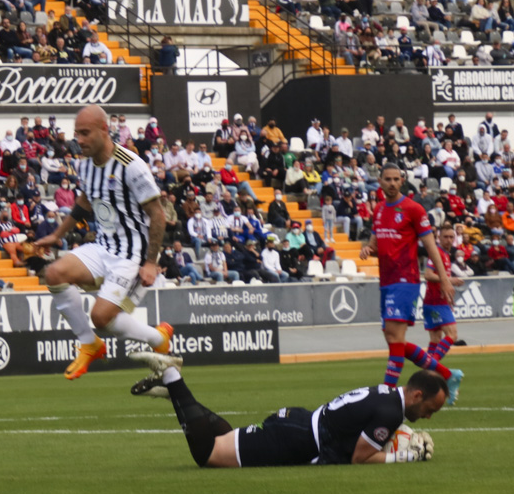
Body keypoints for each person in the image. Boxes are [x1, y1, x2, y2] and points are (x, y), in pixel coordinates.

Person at [35, 105, 174, 381]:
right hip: (104, 246)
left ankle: (157, 338)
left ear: (103, 130)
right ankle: (90, 344)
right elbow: (85, 201)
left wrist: (150, 262)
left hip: (133, 255)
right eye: (77, 134)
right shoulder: (85, 165)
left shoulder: (131, 165)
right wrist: (57, 235)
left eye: (85, 133)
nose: (80, 140)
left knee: (102, 318)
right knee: (54, 273)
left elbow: (157, 214)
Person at [128, 352, 444, 467]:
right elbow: (361, 457)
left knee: (226, 436)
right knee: (208, 456)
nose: (430, 415)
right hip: (299, 438)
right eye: (431, 408)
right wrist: (404, 457)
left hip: (301, 423)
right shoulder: (391, 412)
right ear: (417, 394)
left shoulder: (389, 393)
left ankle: (178, 397)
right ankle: (172, 375)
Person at [359, 164, 464, 404]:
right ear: (380, 181)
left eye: (397, 179)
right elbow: (376, 244)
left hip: (405, 280)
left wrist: (445, 280)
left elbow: (430, 247)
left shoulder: (414, 209)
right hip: (386, 281)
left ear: (403, 180)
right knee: (393, 338)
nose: (393, 183)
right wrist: (368, 248)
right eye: (388, 179)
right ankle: (447, 374)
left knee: (395, 337)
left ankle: (386, 394)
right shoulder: (378, 211)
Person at [423, 225, 463, 362]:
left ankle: (428, 371)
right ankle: (431, 366)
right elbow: (427, 275)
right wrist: (449, 279)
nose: (449, 240)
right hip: (436, 302)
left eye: (452, 237)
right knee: (452, 335)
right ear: (439, 238)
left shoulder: (446, 255)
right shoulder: (437, 253)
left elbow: (442, 282)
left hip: (433, 301)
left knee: (435, 339)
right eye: (445, 237)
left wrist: (449, 294)